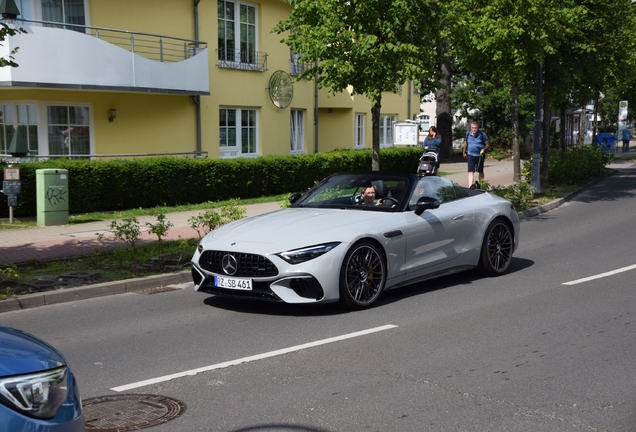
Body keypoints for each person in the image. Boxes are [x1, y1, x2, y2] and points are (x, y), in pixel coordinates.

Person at [463, 122, 490, 189]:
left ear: (478, 128)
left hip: (480, 155)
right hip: (470, 154)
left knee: (480, 171)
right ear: (471, 128)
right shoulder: (468, 134)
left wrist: (484, 149)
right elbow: (465, 143)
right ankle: (470, 187)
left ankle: (482, 185)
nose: (474, 129)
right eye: (473, 128)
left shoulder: (482, 134)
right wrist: (464, 152)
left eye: (475, 128)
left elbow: (487, 145)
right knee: (470, 171)